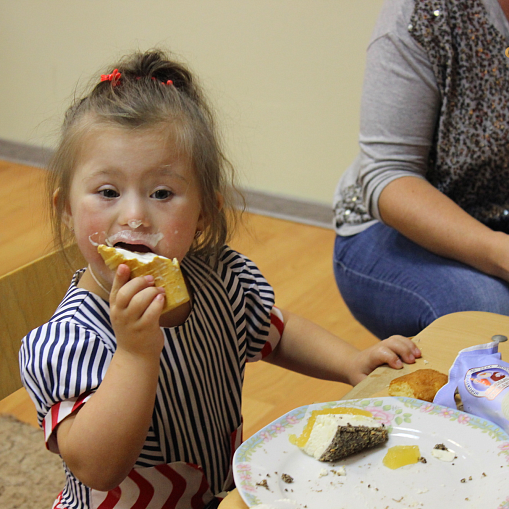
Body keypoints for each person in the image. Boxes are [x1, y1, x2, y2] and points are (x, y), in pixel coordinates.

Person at [19, 49, 420, 509]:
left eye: (162, 193)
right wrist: (134, 352)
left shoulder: (219, 278)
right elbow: (97, 467)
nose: (133, 216)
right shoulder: (68, 340)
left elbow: (275, 332)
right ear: (67, 210)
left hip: (220, 494)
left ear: (204, 212)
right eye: (107, 192)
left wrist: (351, 362)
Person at [333, 0, 509, 340]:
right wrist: (500, 254)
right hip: (395, 228)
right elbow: (389, 176)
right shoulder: (422, 11)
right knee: (488, 315)